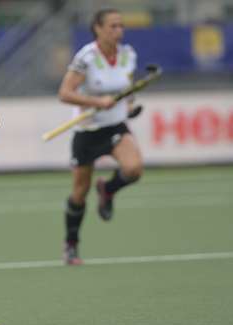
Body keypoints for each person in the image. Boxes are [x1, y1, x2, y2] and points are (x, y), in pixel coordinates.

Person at [57, 8, 142, 265]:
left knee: (134, 168)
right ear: (98, 28)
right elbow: (65, 93)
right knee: (79, 193)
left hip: (115, 126)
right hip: (88, 131)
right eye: (112, 26)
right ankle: (71, 244)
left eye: (121, 25)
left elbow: (126, 89)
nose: (118, 31)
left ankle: (108, 189)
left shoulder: (128, 55)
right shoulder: (87, 57)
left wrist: (128, 105)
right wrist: (96, 101)